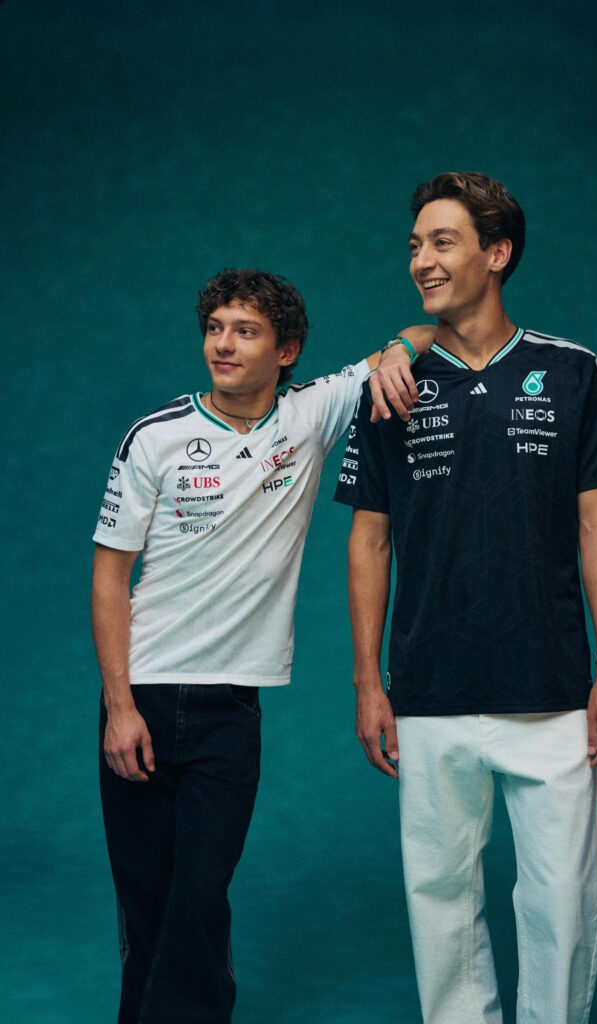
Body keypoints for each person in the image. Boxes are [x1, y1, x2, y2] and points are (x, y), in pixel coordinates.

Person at [335, 172, 597, 1024]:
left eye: (442, 242)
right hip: (428, 686)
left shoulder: (570, 371)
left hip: (551, 687)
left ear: (496, 253)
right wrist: (367, 682)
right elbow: (368, 541)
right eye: (414, 246)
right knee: (438, 905)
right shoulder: (389, 385)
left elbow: (596, 523)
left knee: (562, 904)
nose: (421, 261)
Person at [91, 267, 427, 1024]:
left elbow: (427, 331)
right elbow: (109, 578)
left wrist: (397, 353)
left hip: (231, 709)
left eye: (245, 331)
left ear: (286, 350)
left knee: (200, 895)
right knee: (147, 900)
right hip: (144, 695)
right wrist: (119, 707)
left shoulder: (309, 415)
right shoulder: (155, 437)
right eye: (215, 328)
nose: (223, 344)